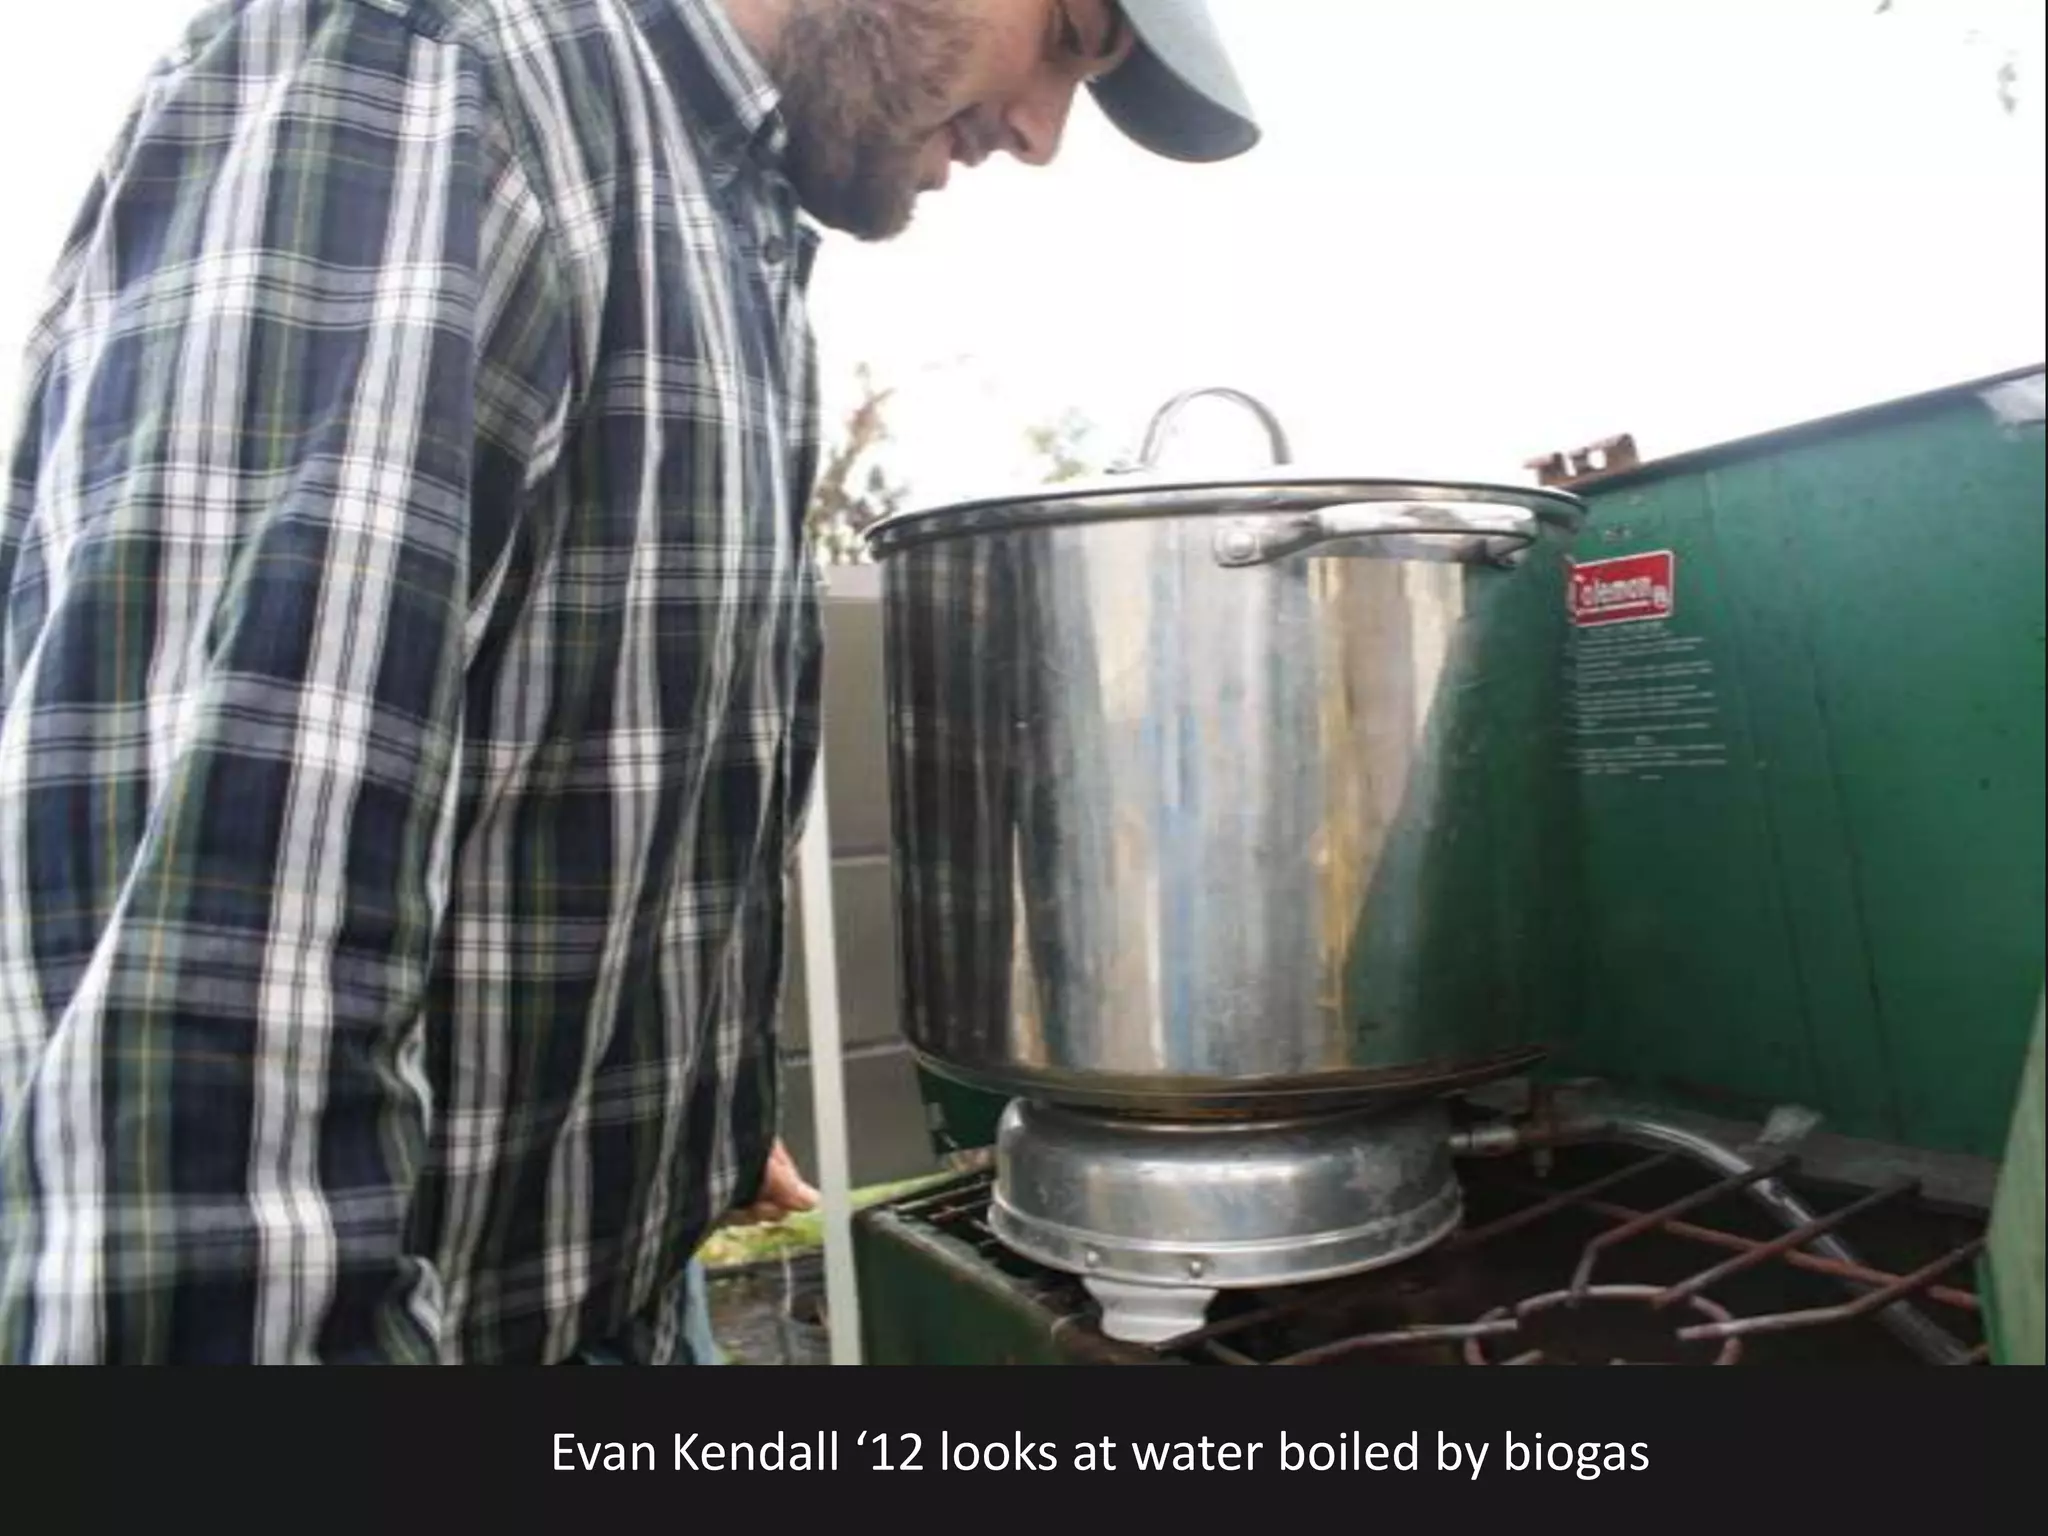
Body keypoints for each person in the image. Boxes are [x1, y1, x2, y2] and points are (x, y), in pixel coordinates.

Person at [0, 0, 1258, 1364]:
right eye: (1068, 32)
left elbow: (535, 762)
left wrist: (673, 1121)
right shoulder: (445, 75)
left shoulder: (725, 204)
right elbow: (202, 1017)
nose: (1042, 132)